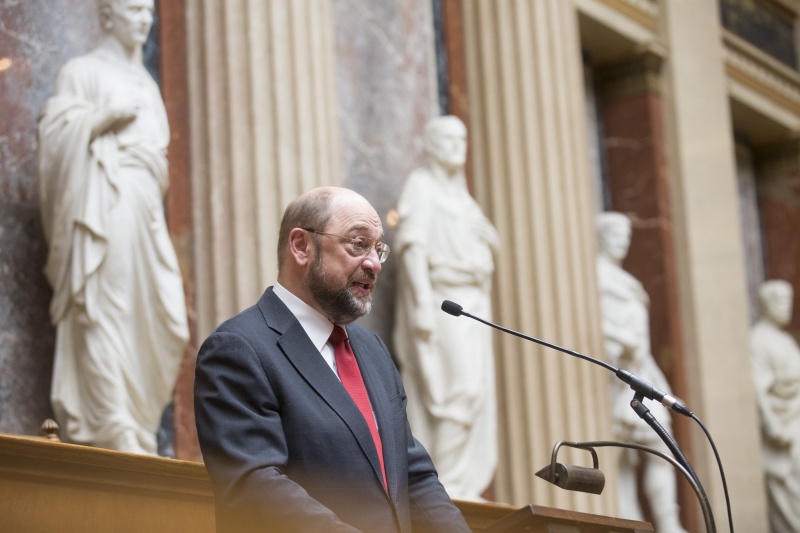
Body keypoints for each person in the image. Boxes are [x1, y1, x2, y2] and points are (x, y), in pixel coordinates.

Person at [194, 187, 472, 533]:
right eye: (358, 244)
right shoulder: (238, 348)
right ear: (301, 246)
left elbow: (414, 476)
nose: (373, 263)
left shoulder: (372, 350)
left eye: (378, 248)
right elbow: (255, 486)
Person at [37, 0, 188, 455]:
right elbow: (54, 139)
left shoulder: (146, 79)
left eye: (147, 11)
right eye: (132, 9)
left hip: (144, 205)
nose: (144, 19)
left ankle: (138, 421)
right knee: (105, 302)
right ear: (106, 15)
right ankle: (114, 422)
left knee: (169, 318)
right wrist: (103, 117)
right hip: (106, 197)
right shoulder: (82, 72)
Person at [392, 115, 500, 501]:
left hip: (473, 304)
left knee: (474, 393)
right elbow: (412, 246)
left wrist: (491, 241)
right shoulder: (422, 186)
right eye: (450, 140)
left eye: (463, 140)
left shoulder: (463, 196)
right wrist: (422, 303)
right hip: (444, 304)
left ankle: (458, 483)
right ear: (432, 146)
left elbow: (477, 241)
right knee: (454, 391)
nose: (459, 147)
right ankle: (445, 485)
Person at [595, 212, 687, 533]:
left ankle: (668, 522)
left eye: (625, 237)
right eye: (614, 236)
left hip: (641, 369)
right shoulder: (595, 276)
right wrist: (622, 341)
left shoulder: (626, 281)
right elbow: (591, 323)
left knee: (661, 442)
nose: (621, 243)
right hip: (614, 372)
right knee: (618, 454)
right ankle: (629, 521)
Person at [750, 280, 800, 533]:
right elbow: (757, 391)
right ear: (765, 305)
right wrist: (772, 425)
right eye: (779, 301)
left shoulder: (787, 341)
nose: (786, 307)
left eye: (789, 301)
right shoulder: (759, 340)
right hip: (785, 433)